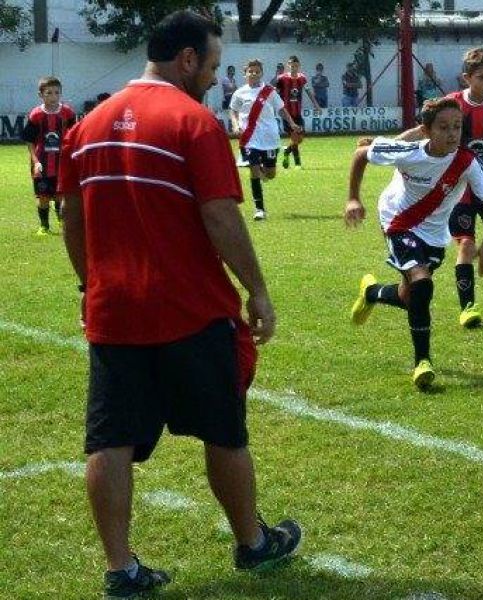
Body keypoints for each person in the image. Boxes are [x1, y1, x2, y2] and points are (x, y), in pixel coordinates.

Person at [57, 11, 301, 599]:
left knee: (109, 439)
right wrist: (258, 289)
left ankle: (121, 568)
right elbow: (220, 214)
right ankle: (252, 542)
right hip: (191, 308)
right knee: (223, 431)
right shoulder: (193, 122)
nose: (216, 78)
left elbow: (72, 217)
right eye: (213, 65)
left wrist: (93, 284)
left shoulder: (87, 125)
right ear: (186, 59)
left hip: (115, 310)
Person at [344, 98, 483, 389]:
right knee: (422, 282)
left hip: (434, 234)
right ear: (426, 131)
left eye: (457, 126)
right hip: (397, 221)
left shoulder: (467, 162)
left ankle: (372, 292)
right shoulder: (408, 152)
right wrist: (353, 197)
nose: (453, 133)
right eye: (443, 127)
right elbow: (361, 154)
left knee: (410, 295)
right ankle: (423, 362)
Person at [398, 47, 483, 328]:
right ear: (467, 78)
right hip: (458, 184)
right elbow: (422, 131)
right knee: (465, 242)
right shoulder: (451, 105)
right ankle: (468, 308)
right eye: (482, 78)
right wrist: (389, 142)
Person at [230, 58, 302, 220]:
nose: (254, 74)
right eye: (251, 71)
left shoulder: (269, 91)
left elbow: (282, 109)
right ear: (245, 74)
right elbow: (233, 110)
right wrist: (235, 125)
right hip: (249, 138)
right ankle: (259, 209)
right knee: (254, 170)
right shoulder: (239, 93)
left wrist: (291, 124)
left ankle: (264, 171)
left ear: (261, 73)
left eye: (257, 71)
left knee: (270, 174)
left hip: (269, 137)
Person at [20, 75, 76, 236]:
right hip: (42, 163)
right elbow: (29, 141)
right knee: (43, 197)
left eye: (57, 93)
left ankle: (60, 218)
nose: (53, 96)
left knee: (60, 196)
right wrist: (35, 160)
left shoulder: (68, 113)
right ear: (41, 95)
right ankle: (44, 226)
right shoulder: (36, 115)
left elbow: (74, 135)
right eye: (49, 93)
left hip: (62, 162)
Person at [275, 54, 320, 169]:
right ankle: (298, 164)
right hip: (286, 114)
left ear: (298, 66)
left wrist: (316, 105)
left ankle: (287, 151)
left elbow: (308, 91)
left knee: (300, 138)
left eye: (295, 65)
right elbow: (275, 94)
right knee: (295, 137)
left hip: (297, 113)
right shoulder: (281, 79)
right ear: (288, 65)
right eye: (291, 65)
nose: (293, 67)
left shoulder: (302, 78)